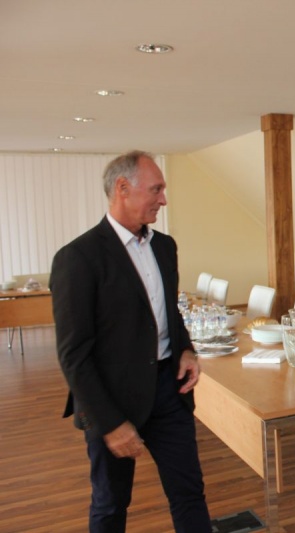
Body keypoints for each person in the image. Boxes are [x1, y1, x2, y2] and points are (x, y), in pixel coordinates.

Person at [50, 151, 212, 532]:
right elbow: (74, 355)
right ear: (122, 188)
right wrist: (109, 423)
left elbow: (168, 313)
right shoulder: (78, 258)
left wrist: (186, 348)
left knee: (189, 493)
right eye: (156, 189)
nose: (163, 200)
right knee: (110, 504)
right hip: (111, 398)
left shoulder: (165, 247)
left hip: (169, 391)